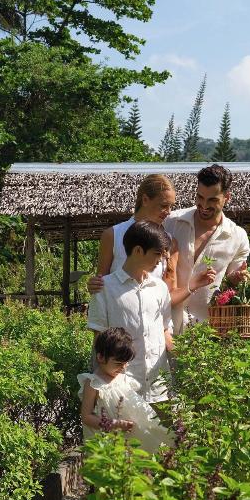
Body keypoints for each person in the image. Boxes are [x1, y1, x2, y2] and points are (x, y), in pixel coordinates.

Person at [88, 174, 216, 308]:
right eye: (164, 205)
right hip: (118, 323)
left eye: (171, 206)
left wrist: (193, 284)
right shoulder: (113, 235)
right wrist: (93, 285)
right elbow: (100, 287)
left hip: (154, 323)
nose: (168, 212)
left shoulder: (171, 243)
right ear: (145, 199)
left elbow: (168, 296)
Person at [87, 220, 174, 404]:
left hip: (159, 387)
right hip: (122, 388)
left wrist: (185, 357)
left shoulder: (160, 288)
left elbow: (165, 330)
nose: (160, 260)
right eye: (156, 253)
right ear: (137, 251)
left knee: (163, 433)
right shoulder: (105, 288)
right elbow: (99, 339)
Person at [163, 164, 250, 334]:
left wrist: (236, 278)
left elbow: (230, 285)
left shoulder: (237, 236)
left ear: (227, 197)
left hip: (206, 331)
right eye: (200, 197)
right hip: (164, 324)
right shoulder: (170, 222)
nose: (203, 205)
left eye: (212, 200)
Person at [78, 327, 173, 453]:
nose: (123, 368)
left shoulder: (123, 378)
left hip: (128, 438)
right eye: (118, 364)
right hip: (105, 441)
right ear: (100, 357)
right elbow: (86, 417)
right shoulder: (93, 383)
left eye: (126, 363)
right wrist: (114, 424)